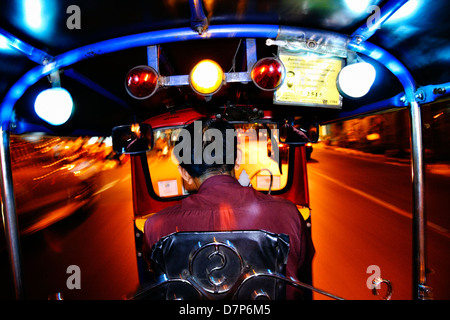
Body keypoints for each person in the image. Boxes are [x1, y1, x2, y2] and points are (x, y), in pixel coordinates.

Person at [142, 118, 315, 299]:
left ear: (184, 173)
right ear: (237, 159)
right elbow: (302, 268)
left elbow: (156, 276)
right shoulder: (287, 214)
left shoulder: (156, 226)